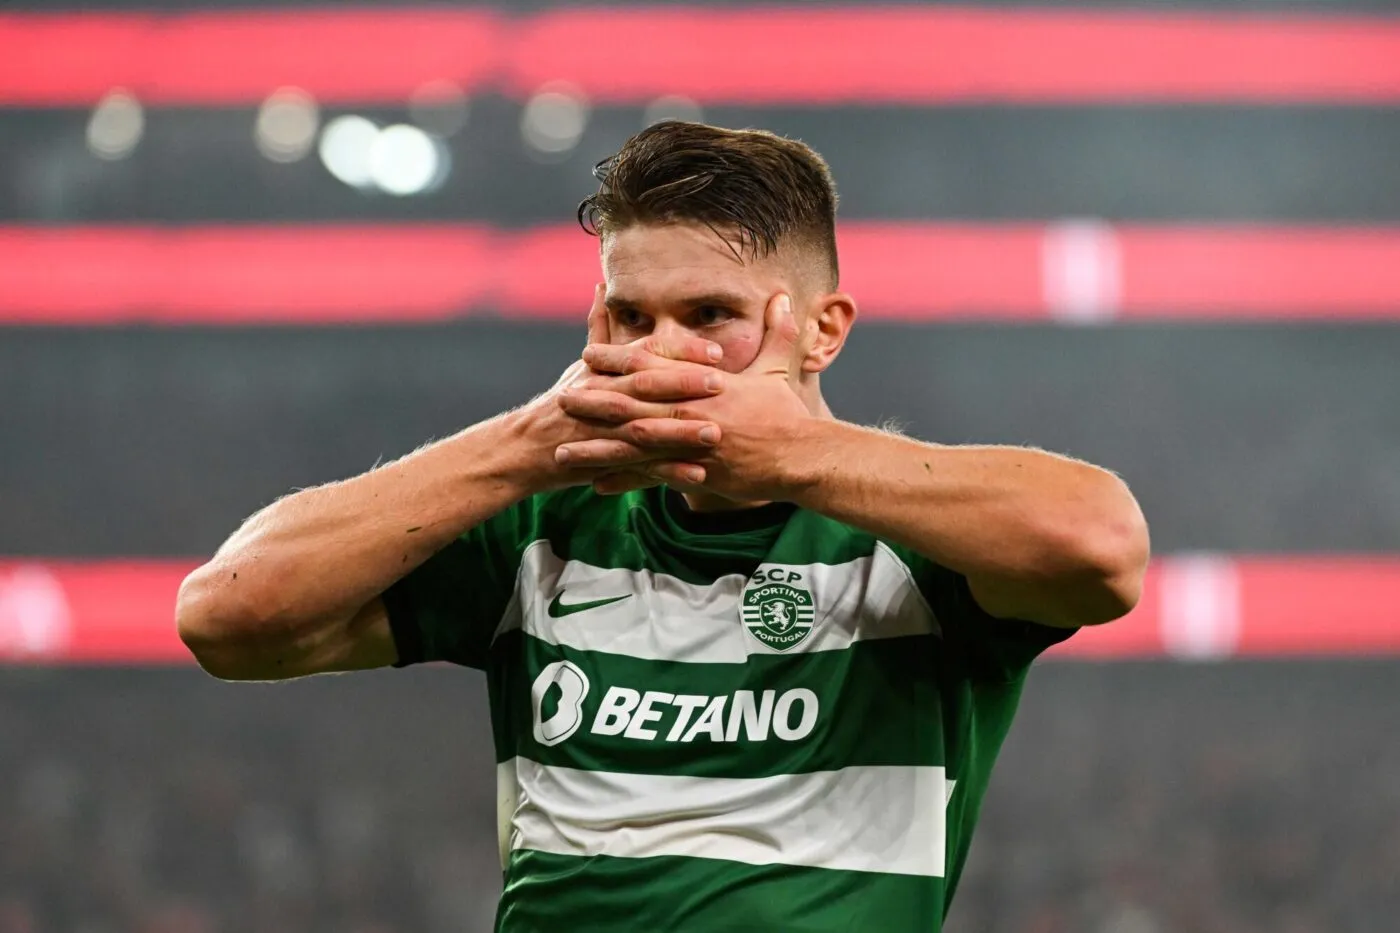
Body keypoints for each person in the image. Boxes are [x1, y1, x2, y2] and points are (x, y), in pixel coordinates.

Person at [176, 121, 1150, 932]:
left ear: (823, 328)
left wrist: (790, 457)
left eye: (709, 314)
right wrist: (531, 439)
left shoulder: (914, 535)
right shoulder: (544, 527)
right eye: (629, 316)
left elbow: (1099, 549)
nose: (661, 354)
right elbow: (229, 620)